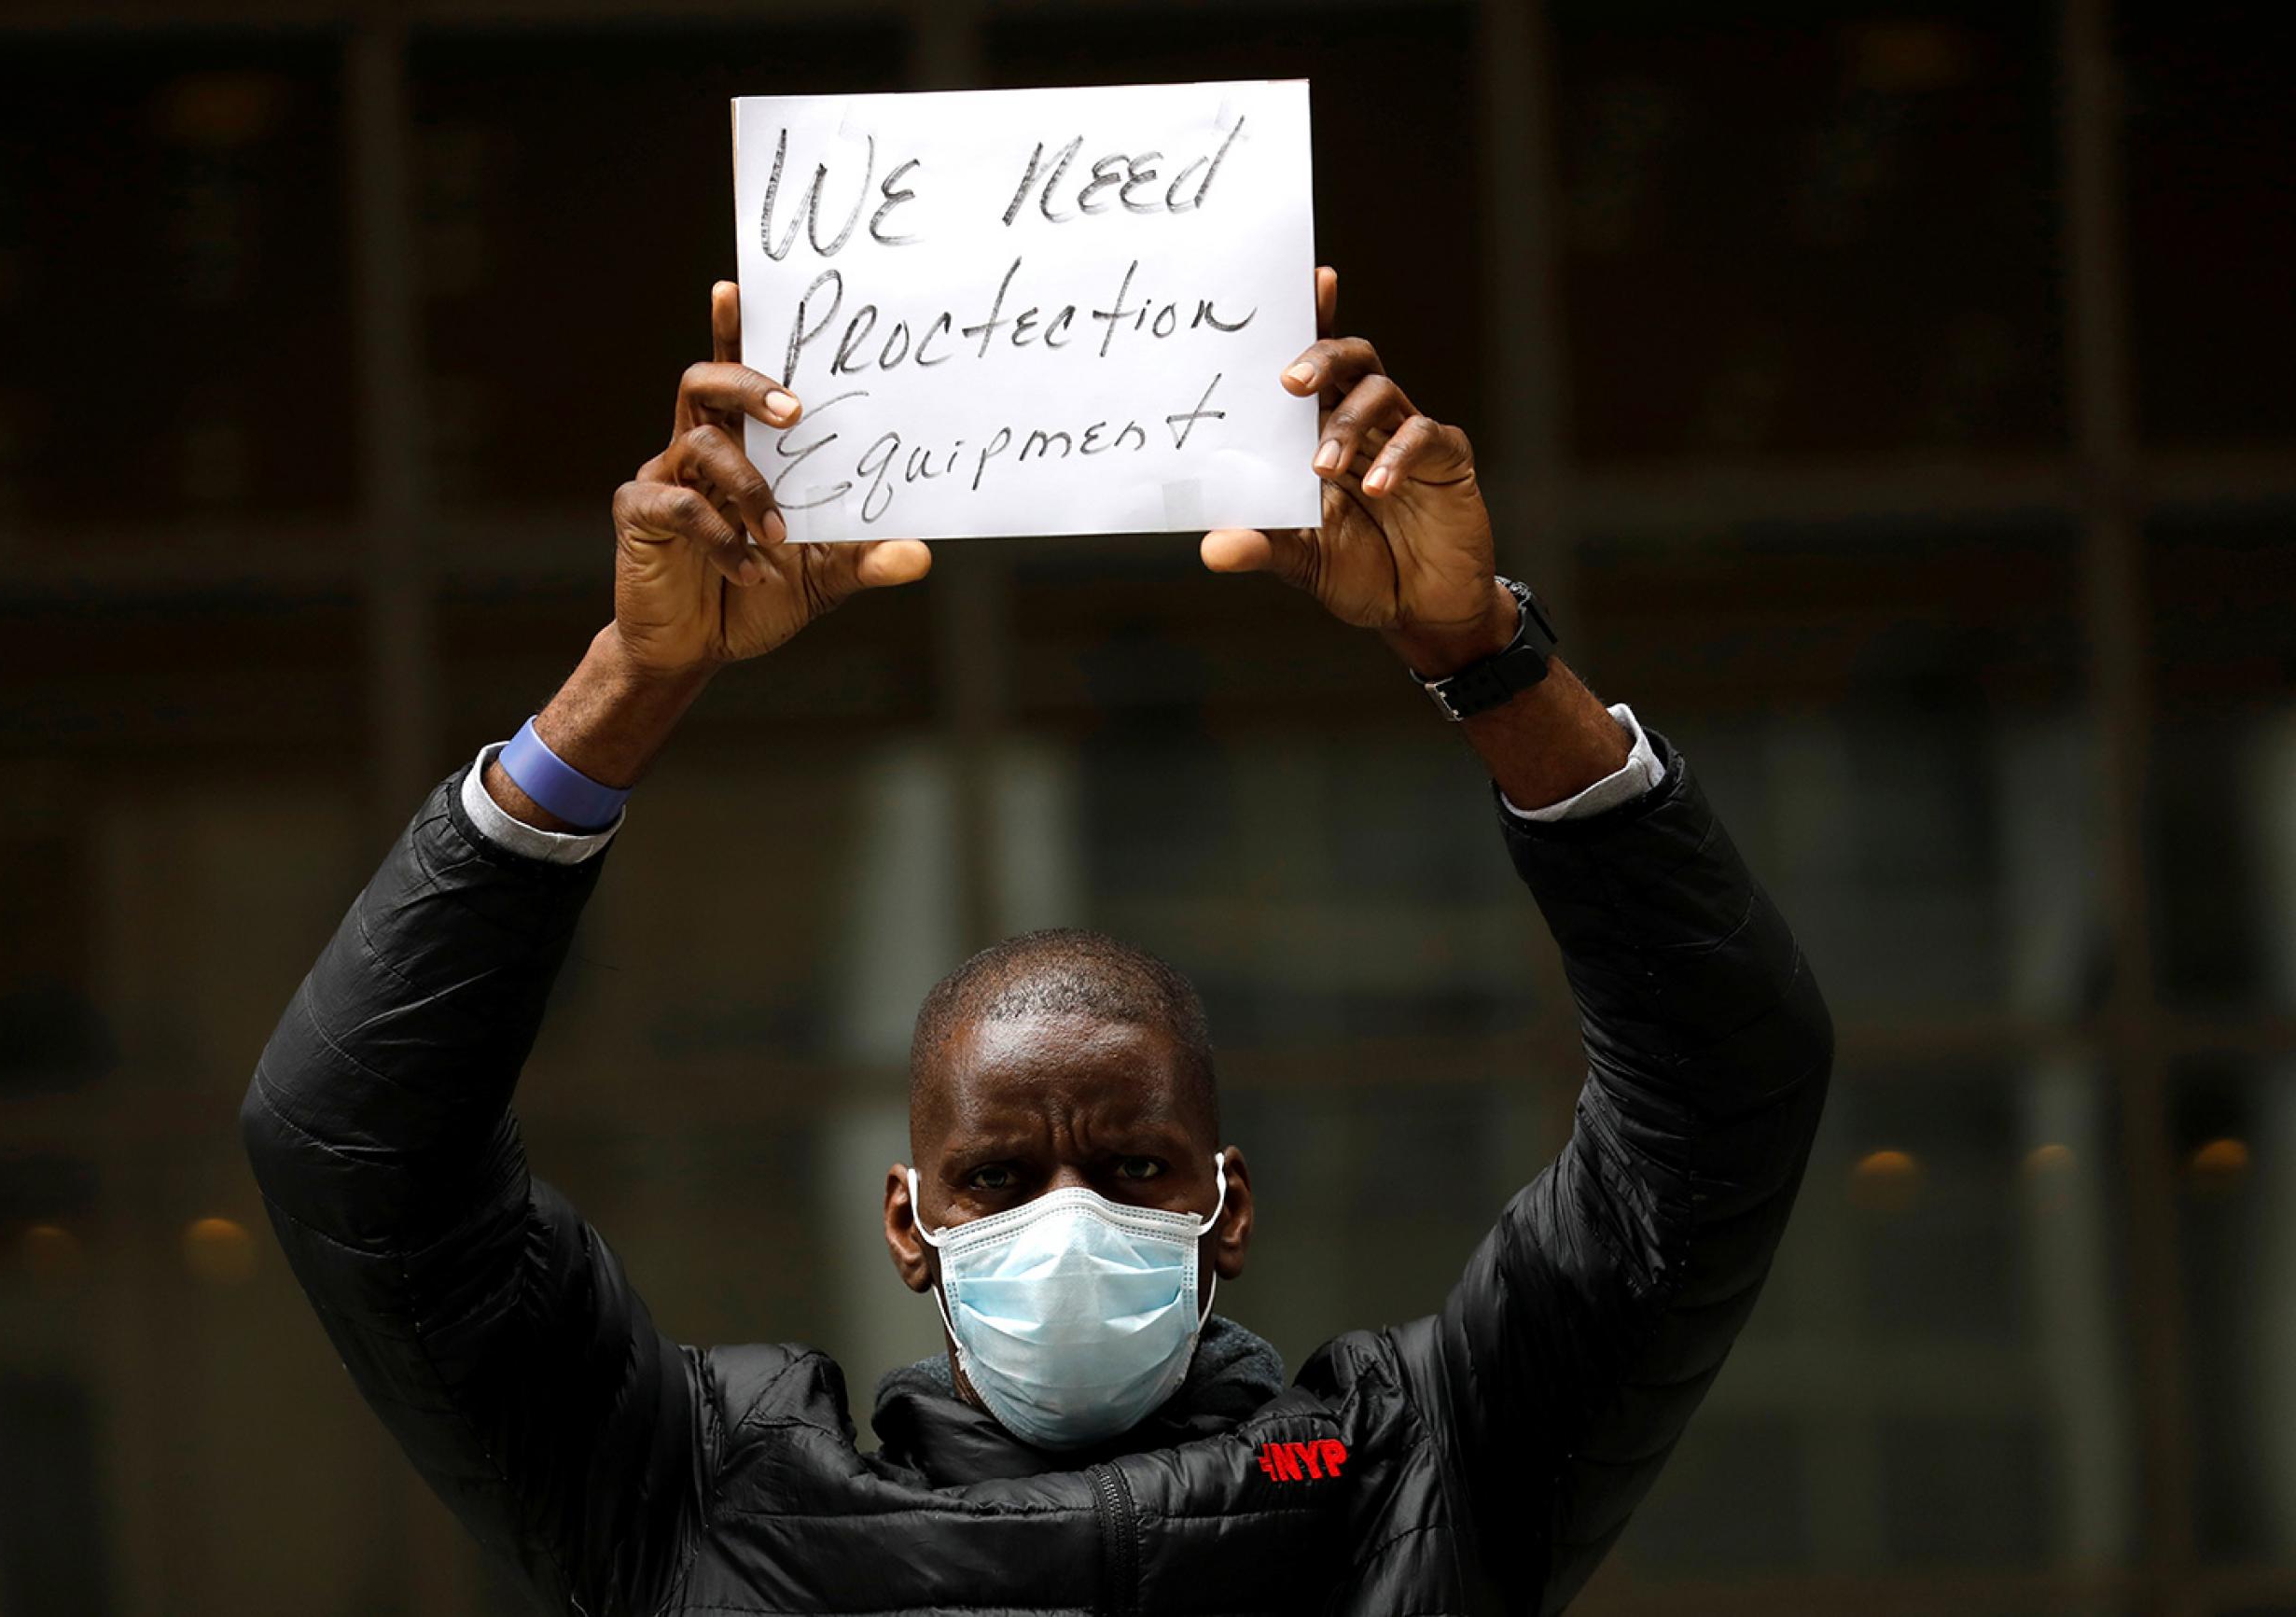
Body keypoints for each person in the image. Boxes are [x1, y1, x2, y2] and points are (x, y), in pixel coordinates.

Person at [243, 269, 1832, 1617]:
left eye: (1134, 1164)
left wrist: (1484, 655)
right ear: (907, 1220)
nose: (1067, 1221)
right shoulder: (700, 1499)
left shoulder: (1409, 1470)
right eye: (1000, 1176)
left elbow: (1718, 1095)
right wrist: (628, 685)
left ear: (1228, 1205)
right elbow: (357, 1154)